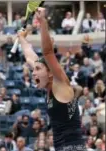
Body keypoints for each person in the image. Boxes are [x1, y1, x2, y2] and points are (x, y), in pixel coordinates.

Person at [17, 7, 86, 151]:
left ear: (50, 73)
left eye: (37, 70)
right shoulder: (47, 82)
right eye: (34, 70)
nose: (33, 73)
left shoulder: (60, 83)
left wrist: (42, 21)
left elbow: (47, 51)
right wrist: (22, 39)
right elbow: (31, 57)